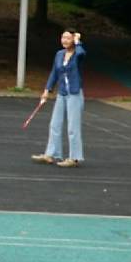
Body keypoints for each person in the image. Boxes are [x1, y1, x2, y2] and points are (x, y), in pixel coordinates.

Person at [31, 28, 86, 168]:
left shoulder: (78, 54)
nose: (64, 40)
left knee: (73, 127)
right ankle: (51, 154)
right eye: (63, 37)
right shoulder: (59, 54)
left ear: (73, 39)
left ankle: (74, 158)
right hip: (62, 93)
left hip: (74, 94)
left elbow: (81, 53)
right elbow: (54, 73)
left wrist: (78, 41)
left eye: (68, 38)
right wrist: (47, 90)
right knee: (54, 124)